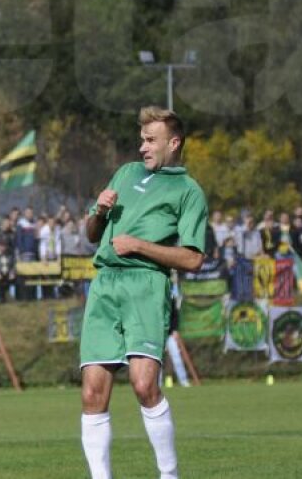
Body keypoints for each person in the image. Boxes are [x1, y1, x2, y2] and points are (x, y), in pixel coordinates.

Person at [79, 107, 208, 479]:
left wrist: (139, 246)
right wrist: (99, 213)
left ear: (174, 143)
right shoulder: (126, 173)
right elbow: (91, 234)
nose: (142, 147)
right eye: (142, 139)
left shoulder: (188, 191)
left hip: (146, 287)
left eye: (151, 140)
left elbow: (193, 259)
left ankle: (169, 475)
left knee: (143, 384)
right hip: (104, 285)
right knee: (91, 394)